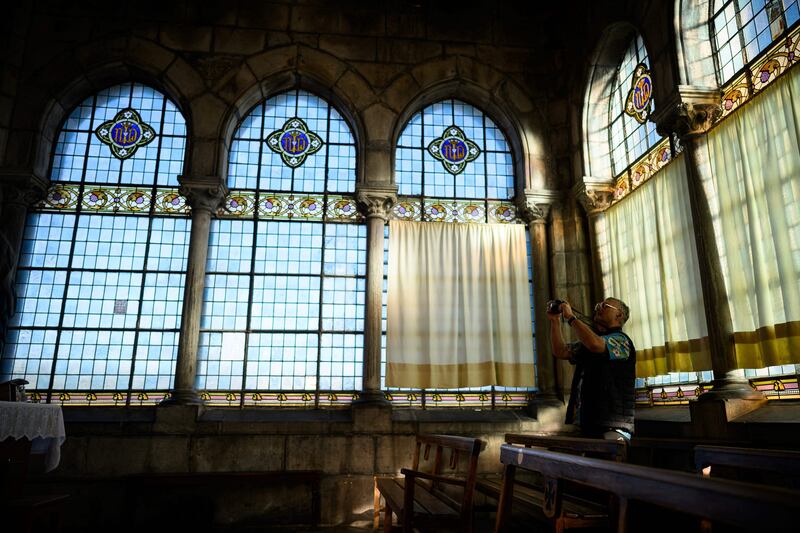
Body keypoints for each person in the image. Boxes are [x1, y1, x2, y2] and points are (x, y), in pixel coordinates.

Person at [547, 298, 636, 441]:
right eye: (597, 305)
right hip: (587, 424)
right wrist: (555, 321)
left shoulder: (621, 341)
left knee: (606, 463)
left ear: (619, 315)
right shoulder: (591, 341)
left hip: (612, 428)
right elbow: (561, 351)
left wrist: (571, 318)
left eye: (604, 306)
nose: (598, 308)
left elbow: (595, 345)